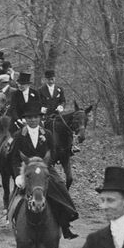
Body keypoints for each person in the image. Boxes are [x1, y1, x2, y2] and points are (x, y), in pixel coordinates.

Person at [9, 101, 79, 238]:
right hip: (26, 169)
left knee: (59, 186)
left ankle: (65, 224)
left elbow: (52, 153)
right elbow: (15, 158)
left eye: (35, 117)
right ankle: (12, 219)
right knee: (16, 195)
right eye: (29, 118)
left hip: (45, 168)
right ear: (26, 119)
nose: (33, 120)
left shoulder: (47, 134)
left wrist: (43, 165)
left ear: (39, 118)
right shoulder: (19, 135)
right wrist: (18, 175)